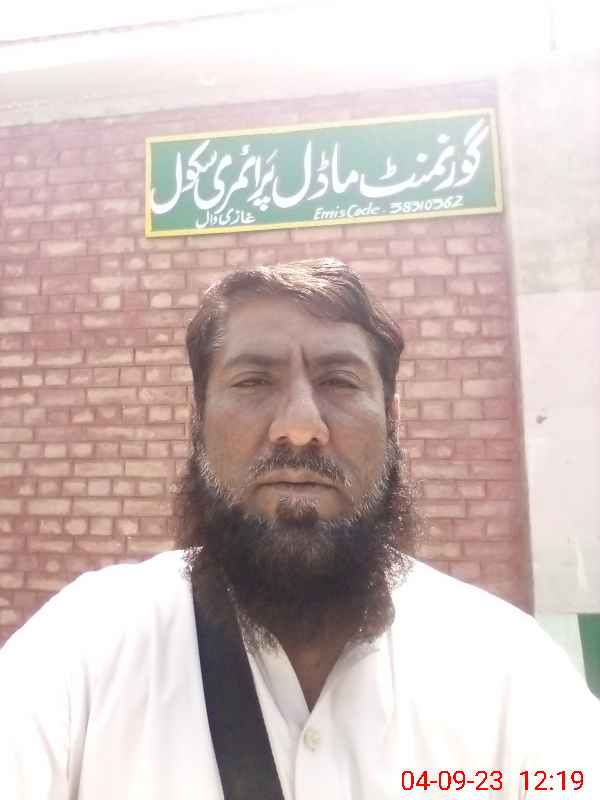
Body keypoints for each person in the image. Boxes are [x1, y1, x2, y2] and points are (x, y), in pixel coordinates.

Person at [0, 258, 598, 800]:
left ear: (392, 421)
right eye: (254, 382)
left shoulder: (510, 672)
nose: (301, 427)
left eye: (339, 381)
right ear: (198, 422)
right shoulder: (85, 647)